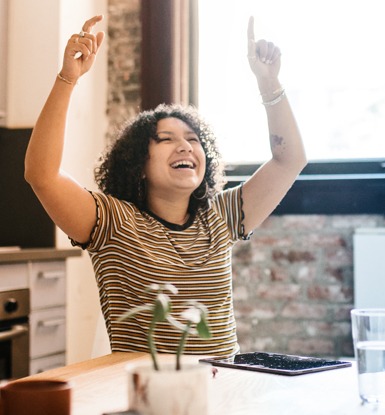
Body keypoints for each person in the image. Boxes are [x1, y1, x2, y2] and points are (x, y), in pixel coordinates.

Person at [25, 15, 306, 357]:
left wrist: (269, 84)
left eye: (193, 139)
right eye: (166, 139)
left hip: (221, 391)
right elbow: (42, 175)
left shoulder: (221, 216)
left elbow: (289, 160)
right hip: (144, 393)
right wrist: (68, 77)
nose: (186, 146)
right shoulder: (114, 222)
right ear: (139, 164)